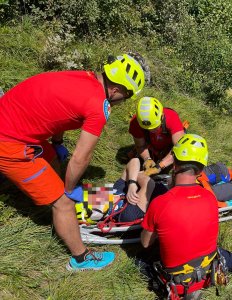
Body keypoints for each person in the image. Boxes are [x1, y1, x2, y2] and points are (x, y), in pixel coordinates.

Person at [0, 53, 148, 270]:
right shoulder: (99, 106)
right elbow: (81, 157)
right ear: (116, 91)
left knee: (52, 159)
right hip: (9, 143)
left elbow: (58, 110)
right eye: (126, 97)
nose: (122, 102)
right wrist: (68, 191)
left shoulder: (84, 77)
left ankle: (50, 195)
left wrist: (57, 142)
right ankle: (81, 258)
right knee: (64, 203)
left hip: (11, 118)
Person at [138, 133, 232, 299]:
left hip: (177, 282)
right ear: (200, 170)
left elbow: (145, 243)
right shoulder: (209, 198)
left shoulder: (160, 203)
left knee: (141, 257)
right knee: (226, 256)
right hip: (208, 272)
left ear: (174, 165)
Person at [129, 96, 185, 176]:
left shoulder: (171, 117)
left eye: (155, 127)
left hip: (169, 147)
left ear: (162, 117)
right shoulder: (135, 123)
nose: (152, 131)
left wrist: (160, 166)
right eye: (147, 129)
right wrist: (147, 159)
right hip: (151, 146)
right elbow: (140, 146)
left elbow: (180, 149)